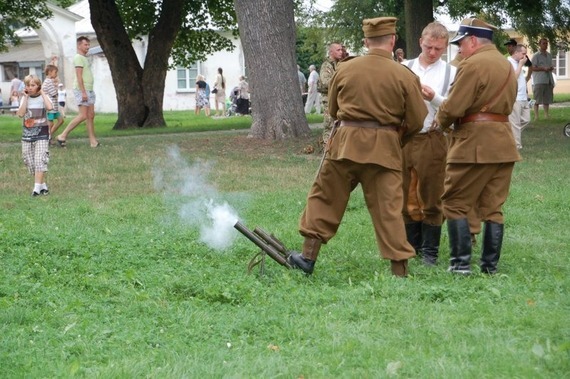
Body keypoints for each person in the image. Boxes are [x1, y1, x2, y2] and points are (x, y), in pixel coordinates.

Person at [287, 16, 428, 277]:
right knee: (389, 210)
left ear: (365, 42)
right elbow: (417, 121)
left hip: (344, 146)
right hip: (384, 151)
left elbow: (333, 109)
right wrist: (395, 140)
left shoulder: (346, 69)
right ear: (393, 40)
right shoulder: (405, 75)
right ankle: (399, 269)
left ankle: (307, 257)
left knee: (325, 198)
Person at [436, 18, 521, 275]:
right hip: (503, 143)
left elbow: (454, 107)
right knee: (493, 207)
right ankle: (489, 267)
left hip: (473, 143)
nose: (459, 49)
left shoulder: (472, 65)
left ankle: (460, 265)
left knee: (454, 202)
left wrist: (439, 122)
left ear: (472, 40)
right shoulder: (508, 65)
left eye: (461, 43)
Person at [401, 22, 457, 266]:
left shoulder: (451, 72)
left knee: (432, 195)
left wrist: (433, 97)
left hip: (433, 138)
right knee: (406, 194)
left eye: (438, 48)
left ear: (445, 48)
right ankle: (411, 247)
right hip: (405, 138)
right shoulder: (404, 67)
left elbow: (454, 110)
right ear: (420, 42)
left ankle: (430, 253)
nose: (432, 52)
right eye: (428, 46)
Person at [56, 36, 99, 148]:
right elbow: (79, 76)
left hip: (89, 89)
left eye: (88, 45)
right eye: (85, 45)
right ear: (79, 45)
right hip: (82, 90)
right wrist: (83, 92)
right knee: (83, 115)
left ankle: (93, 141)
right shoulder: (78, 58)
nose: (87, 47)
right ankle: (62, 135)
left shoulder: (84, 58)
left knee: (90, 115)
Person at [16, 75, 54, 196]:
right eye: (28, 85)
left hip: (42, 133)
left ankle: (36, 189)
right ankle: (43, 186)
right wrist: (25, 98)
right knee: (29, 161)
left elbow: (50, 107)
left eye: (33, 85)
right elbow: (21, 114)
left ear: (38, 86)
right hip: (28, 134)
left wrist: (42, 93)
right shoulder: (24, 98)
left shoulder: (44, 97)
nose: (30, 87)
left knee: (40, 160)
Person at [317, 42, 344, 144]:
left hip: (337, 99)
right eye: (338, 50)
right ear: (331, 52)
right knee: (329, 125)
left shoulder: (339, 64)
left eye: (341, 50)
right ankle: (326, 149)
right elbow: (325, 82)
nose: (341, 52)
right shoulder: (327, 65)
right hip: (328, 99)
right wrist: (341, 83)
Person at [508, 44, 531, 150]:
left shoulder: (519, 62)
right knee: (516, 123)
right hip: (515, 97)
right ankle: (516, 146)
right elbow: (513, 78)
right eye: (523, 53)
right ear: (516, 52)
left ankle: (508, 135)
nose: (525, 56)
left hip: (523, 97)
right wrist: (521, 65)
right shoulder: (509, 62)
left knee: (526, 119)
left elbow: (522, 79)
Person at [530, 38, 555, 121]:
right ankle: (536, 116)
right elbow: (532, 68)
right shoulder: (536, 55)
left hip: (548, 79)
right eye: (544, 43)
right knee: (537, 99)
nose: (546, 45)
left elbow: (550, 65)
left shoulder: (549, 55)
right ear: (539, 44)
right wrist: (543, 68)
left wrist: (551, 68)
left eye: (546, 43)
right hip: (539, 80)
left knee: (546, 99)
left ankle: (546, 115)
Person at [42, 64, 64, 142]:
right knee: (50, 123)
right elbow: (54, 93)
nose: (56, 74)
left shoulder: (50, 81)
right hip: (50, 107)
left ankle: (49, 136)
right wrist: (57, 85)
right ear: (50, 72)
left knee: (60, 120)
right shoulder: (48, 82)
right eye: (55, 72)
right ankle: (47, 137)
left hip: (54, 107)